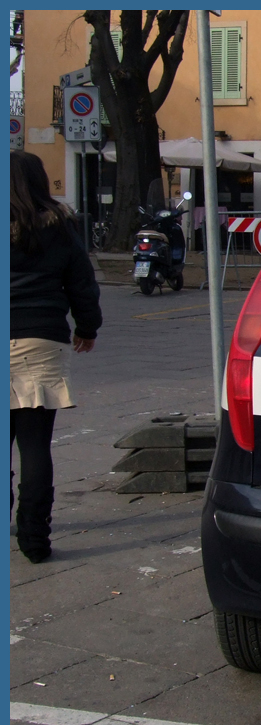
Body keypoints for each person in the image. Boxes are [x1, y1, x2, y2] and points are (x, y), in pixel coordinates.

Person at [10, 150, 102, 564]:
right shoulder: (60, 226)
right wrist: (87, 327)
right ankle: (34, 539)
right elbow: (81, 281)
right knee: (34, 445)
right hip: (40, 339)